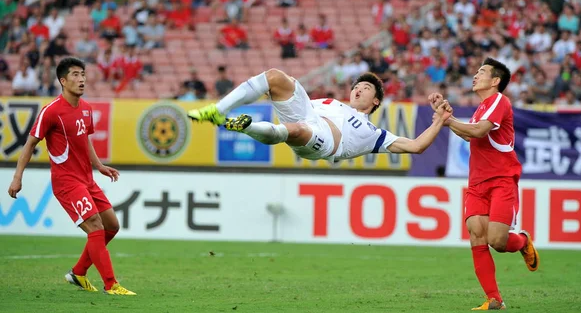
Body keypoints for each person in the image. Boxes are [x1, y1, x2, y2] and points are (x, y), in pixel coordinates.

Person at [7, 57, 136, 296]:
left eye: (83, 74)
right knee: (95, 226)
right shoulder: (52, 111)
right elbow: (29, 144)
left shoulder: (86, 109)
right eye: (75, 75)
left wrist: (99, 166)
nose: (82, 79)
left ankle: (78, 273)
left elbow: (84, 138)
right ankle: (111, 285)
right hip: (66, 182)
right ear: (63, 81)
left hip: (87, 179)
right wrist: (17, 177)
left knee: (112, 226)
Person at [428, 57, 539, 311]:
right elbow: (469, 134)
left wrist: (447, 120)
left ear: (495, 81)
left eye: (481, 71)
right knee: (476, 236)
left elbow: (477, 132)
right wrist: (447, 116)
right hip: (477, 182)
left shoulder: (499, 101)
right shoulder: (481, 108)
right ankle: (494, 299)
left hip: (501, 180)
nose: (475, 75)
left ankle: (522, 241)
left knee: (498, 242)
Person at [188, 70, 452, 162]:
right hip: (309, 115)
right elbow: (289, 99)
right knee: (276, 77)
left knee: (297, 130)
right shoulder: (330, 102)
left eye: (366, 88)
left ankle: (246, 127)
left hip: (323, 143)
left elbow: (416, 147)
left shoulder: (375, 135)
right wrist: (276, 91)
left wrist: (439, 120)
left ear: (376, 101)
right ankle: (217, 111)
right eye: (357, 85)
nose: (358, 88)